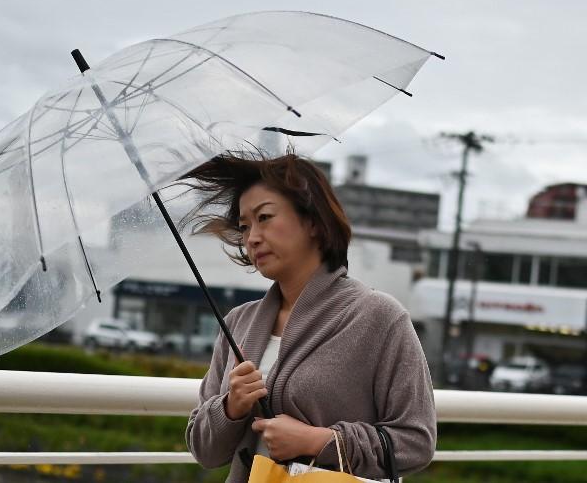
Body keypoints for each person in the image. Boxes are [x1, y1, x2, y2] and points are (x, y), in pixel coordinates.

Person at [182, 152, 435, 481]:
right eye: (244, 226)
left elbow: (416, 442)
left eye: (265, 217)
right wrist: (231, 407)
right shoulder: (237, 323)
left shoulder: (379, 317)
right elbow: (205, 452)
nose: (252, 237)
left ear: (313, 222)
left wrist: (321, 441)